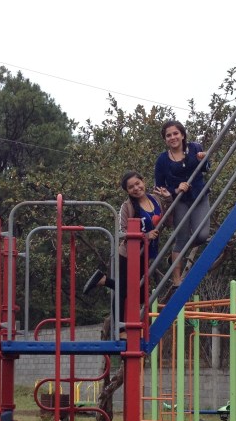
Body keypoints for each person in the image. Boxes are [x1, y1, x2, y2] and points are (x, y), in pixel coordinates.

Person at [82, 170, 171, 339]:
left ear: (143, 182)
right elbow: (122, 232)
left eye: (138, 183)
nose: (136, 188)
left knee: (139, 293)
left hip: (146, 253)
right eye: (131, 187)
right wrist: (145, 236)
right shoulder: (127, 206)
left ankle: (104, 280)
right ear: (127, 191)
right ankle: (120, 330)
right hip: (128, 255)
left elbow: (168, 220)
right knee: (123, 291)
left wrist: (168, 198)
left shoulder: (155, 199)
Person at [154, 120, 210, 286]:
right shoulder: (163, 160)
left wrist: (204, 159)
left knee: (202, 235)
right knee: (181, 238)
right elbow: (159, 187)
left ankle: (176, 256)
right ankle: (176, 279)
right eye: (168, 135)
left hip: (199, 196)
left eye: (175, 133)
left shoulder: (195, 148)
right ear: (165, 139)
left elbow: (206, 168)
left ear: (183, 135)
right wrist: (175, 189)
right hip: (179, 200)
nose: (173, 137)